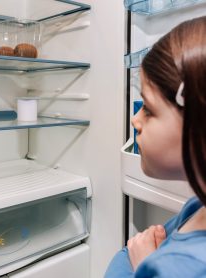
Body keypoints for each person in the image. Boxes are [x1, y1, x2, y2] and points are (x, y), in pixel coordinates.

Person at [105, 16, 206, 277]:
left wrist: (145, 265)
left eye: (148, 109)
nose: (135, 120)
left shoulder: (185, 267)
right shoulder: (197, 206)